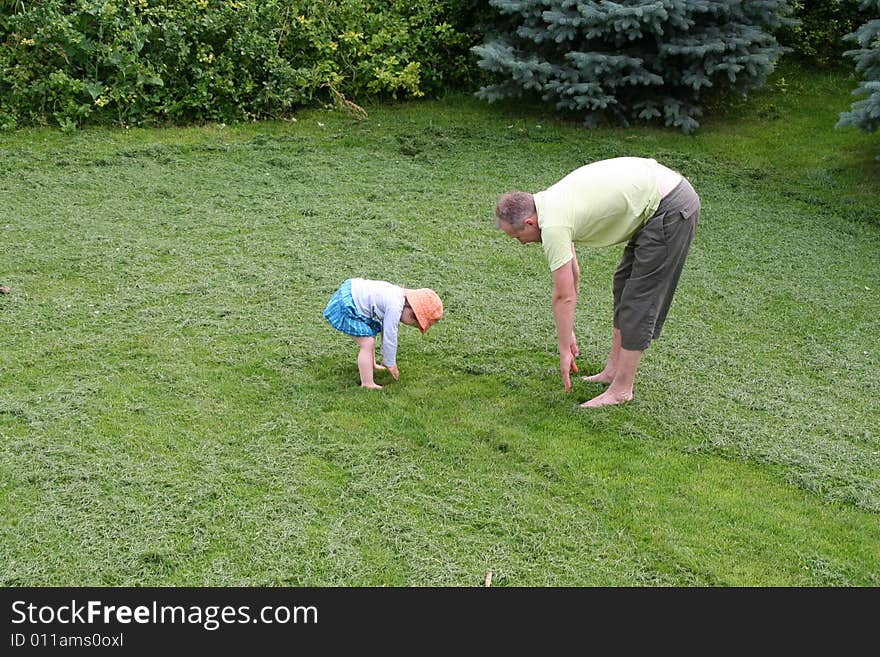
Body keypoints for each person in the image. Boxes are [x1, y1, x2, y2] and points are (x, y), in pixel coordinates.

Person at [495, 157, 700, 408]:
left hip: (670, 206)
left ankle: (622, 389)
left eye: (518, 237)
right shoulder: (549, 203)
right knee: (623, 283)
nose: (522, 243)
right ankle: (613, 372)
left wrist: (563, 348)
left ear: (529, 222)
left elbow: (564, 295)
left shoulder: (553, 224)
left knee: (639, 299)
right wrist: (567, 331)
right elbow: (573, 272)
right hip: (654, 198)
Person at [323, 278, 443, 389]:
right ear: (410, 308)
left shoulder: (398, 294)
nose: (410, 325)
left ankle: (371, 364)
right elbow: (389, 336)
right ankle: (367, 383)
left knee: (371, 332)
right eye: (413, 321)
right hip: (347, 304)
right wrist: (390, 363)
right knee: (367, 343)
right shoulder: (395, 307)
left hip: (353, 290)